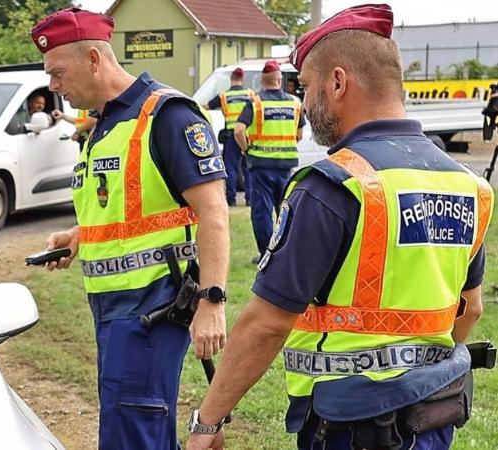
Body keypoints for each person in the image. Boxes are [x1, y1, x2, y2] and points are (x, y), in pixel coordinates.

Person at [185, 4, 494, 450]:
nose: (304, 103)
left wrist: (208, 422)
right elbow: (470, 309)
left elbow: (267, 323)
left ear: (337, 82)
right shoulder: (469, 185)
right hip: (432, 415)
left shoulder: (333, 186)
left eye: (308, 87)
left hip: (352, 424)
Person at [31, 8, 230, 450]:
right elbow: (129, 212)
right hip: (112, 310)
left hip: (152, 309)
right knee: (135, 428)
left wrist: (212, 301)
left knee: (133, 434)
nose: (53, 86)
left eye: (58, 73)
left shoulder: (168, 116)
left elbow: (213, 212)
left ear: (95, 60)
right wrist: (80, 238)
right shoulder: (105, 124)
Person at [234, 60, 305, 263]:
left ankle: (267, 253)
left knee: (262, 212)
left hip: (260, 166)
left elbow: (239, 129)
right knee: (284, 210)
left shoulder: (255, 103)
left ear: (262, 81)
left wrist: (246, 148)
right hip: (285, 166)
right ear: (280, 80)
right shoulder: (294, 103)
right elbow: (299, 134)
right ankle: (285, 252)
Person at [204, 67, 253, 207]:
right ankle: (249, 199)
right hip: (246, 136)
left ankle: (231, 200)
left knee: (230, 168)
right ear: (242, 79)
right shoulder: (250, 94)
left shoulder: (223, 96)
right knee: (248, 167)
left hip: (231, 136)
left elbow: (206, 107)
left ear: (231, 79)